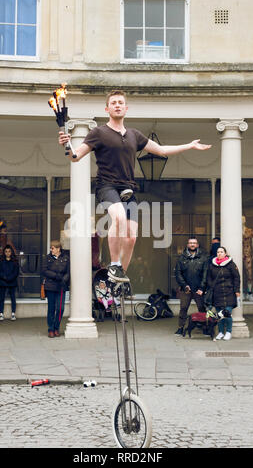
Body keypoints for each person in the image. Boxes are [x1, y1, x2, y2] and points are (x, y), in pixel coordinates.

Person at [59, 90, 211, 284]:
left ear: (126, 108)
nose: (117, 105)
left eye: (120, 102)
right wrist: (67, 145)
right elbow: (75, 156)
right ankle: (114, 264)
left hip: (128, 189)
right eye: (113, 102)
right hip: (107, 186)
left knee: (131, 237)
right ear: (107, 109)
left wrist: (189, 145)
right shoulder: (98, 133)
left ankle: (121, 273)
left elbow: (162, 150)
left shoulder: (134, 135)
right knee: (119, 217)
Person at [174, 237, 209, 335]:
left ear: (197, 245)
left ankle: (205, 327)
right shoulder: (182, 257)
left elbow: (206, 274)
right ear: (188, 245)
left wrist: (202, 287)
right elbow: (178, 273)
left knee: (202, 309)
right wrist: (184, 285)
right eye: (190, 243)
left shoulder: (204, 257)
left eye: (194, 243)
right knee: (183, 309)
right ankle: (180, 327)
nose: (192, 245)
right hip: (186, 289)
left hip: (199, 289)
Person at [206, 246, 240, 341]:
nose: (219, 253)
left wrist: (237, 290)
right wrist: (211, 285)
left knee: (227, 313)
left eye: (221, 252)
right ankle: (221, 332)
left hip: (229, 293)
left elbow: (236, 278)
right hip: (217, 293)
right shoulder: (212, 265)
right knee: (219, 315)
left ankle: (228, 332)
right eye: (218, 252)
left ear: (225, 253)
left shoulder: (231, 264)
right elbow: (208, 278)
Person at [42, 240, 70, 338]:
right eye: (51, 248)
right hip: (50, 286)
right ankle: (51, 329)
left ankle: (56, 327)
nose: (51, 250)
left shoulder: (66, 258)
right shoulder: (47, 258)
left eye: (53, 248)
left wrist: (64, 279)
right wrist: (55, 276)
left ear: (58, 249)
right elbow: (44, 270)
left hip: (61, 286)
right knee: (51, 308)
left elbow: (68, 271)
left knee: (60, 308)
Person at [0, 245, 19, 321]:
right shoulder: (0, 261)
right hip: (3, 282)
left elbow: (16, 272)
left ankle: (13, 314)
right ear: (4, 252)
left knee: (13, 298)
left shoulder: (15, 261)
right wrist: (5, 278)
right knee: (2, 298)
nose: (7, 253)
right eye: (6, 251)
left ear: (11, 252)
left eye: (9, 251)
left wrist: (10, 278)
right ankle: (1, 314)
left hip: (12, 282)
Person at [242, 216, 253, 301]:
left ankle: (249, 293)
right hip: (238, 254)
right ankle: (242, 292)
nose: (242, 220)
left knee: (249, 273)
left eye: (243, 219)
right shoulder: (235, 230)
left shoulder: (249, 231)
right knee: (239, 274)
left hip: (247, 254)